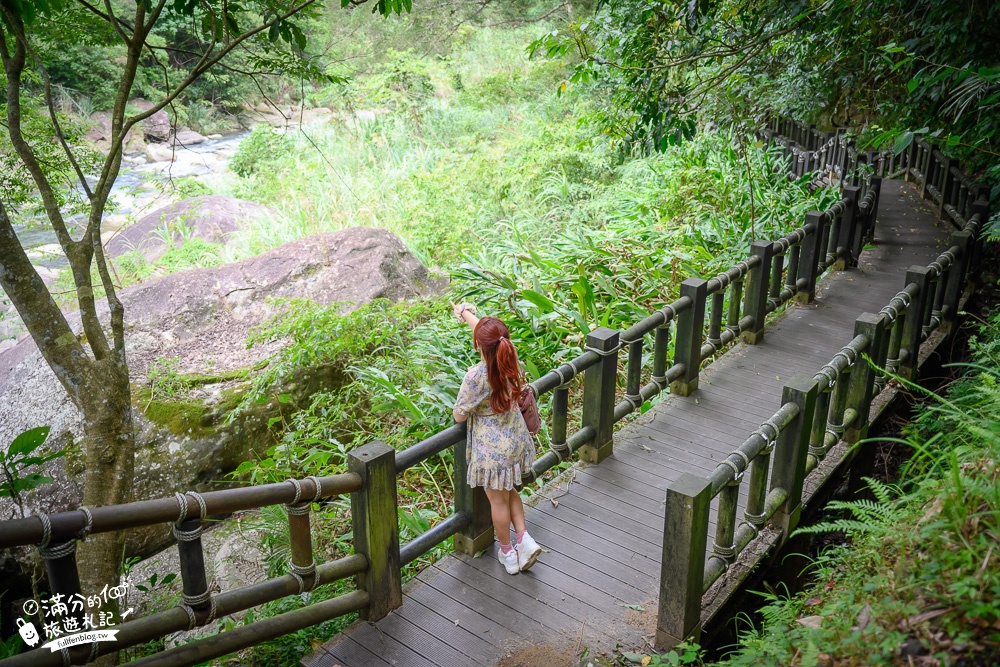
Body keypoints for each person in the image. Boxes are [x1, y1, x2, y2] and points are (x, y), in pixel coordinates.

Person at [452, 302, 542, 575]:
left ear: (479, 346)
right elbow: (491, 337)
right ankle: (524, 539)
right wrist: (464, 312)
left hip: (492, 450)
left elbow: (459, 416)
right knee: (510, 490)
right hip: (515, 441)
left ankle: (507, 553)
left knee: (498, 501)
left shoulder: (475, 377)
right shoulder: (510, 358)